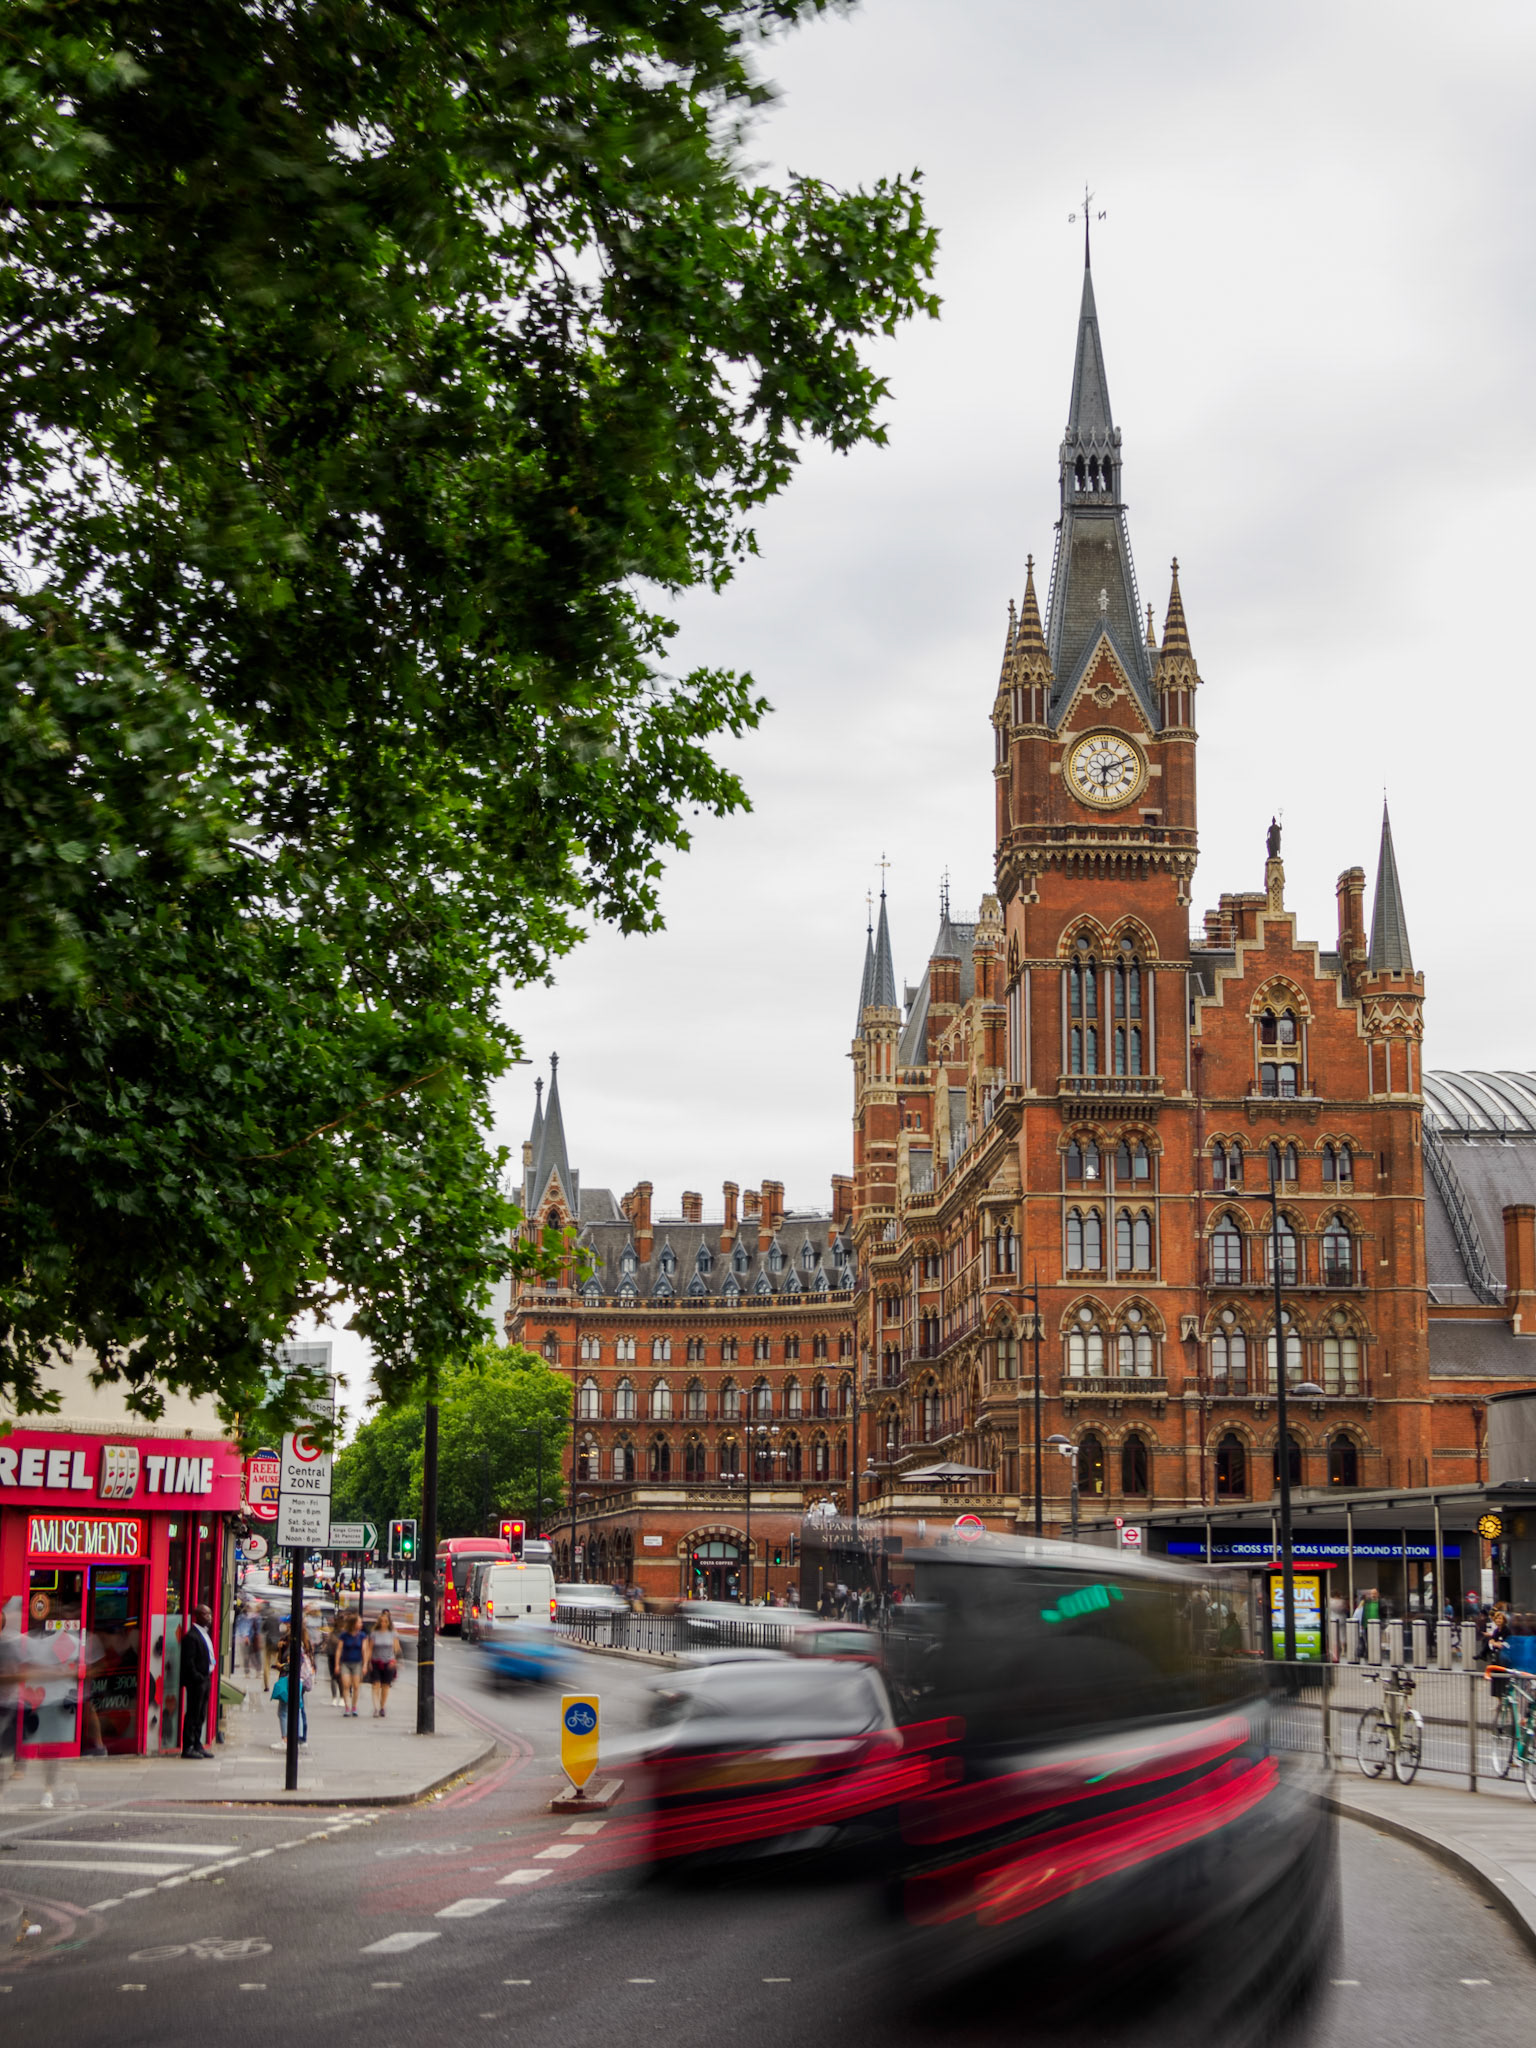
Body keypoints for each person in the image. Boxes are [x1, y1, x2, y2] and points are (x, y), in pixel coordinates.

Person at [180, 1603, 217, 1759]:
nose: (210, 1617)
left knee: (201, 1713)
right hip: (197, 1681)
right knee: (193, 1713)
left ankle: (197, 1743)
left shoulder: (204, 1633)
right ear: (198, 1616)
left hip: (205, 1679)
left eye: (210, 1614)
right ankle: (187, 1747)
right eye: (206, 1614)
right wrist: (198, 1677)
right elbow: (188, 1662)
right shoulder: (191, 1636)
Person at [368, 1612, 400, 1718]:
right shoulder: (374, 1633)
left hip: (388, 1662)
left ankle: (382, 1707)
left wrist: (395, 1661)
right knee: (376, 1684)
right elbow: (370, 1648)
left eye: (385, 1621)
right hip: (376, 1661)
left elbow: (396, 1648)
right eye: (381, 1621)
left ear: (388, 1623)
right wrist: (367, 1662)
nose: (383, 1623)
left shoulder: (392, 1634)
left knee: (385, 1686)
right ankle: (376, 1708)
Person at [336, 1611, 366, 1717]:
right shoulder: (344, 1635)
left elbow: (364, 1650)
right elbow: (339, 1650)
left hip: (357, 1663)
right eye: (359, 1622)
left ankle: (354, 1706)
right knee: (346, 1685)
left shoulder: (362, 1635)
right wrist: (337, 1664)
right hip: (345, 1663)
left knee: (356, 1686)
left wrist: (365, 1664)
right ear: (354, 1624)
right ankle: (347, 1707)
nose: (361, 1624)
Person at [259, 1601, 282, 1691]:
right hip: (278, 1643)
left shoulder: (268, 1619)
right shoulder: (279, 1619)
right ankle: (280, 1683)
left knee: (267, 1664)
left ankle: (266, 1685)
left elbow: (263, 1629)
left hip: (269, 1642)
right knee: (278, 1663)